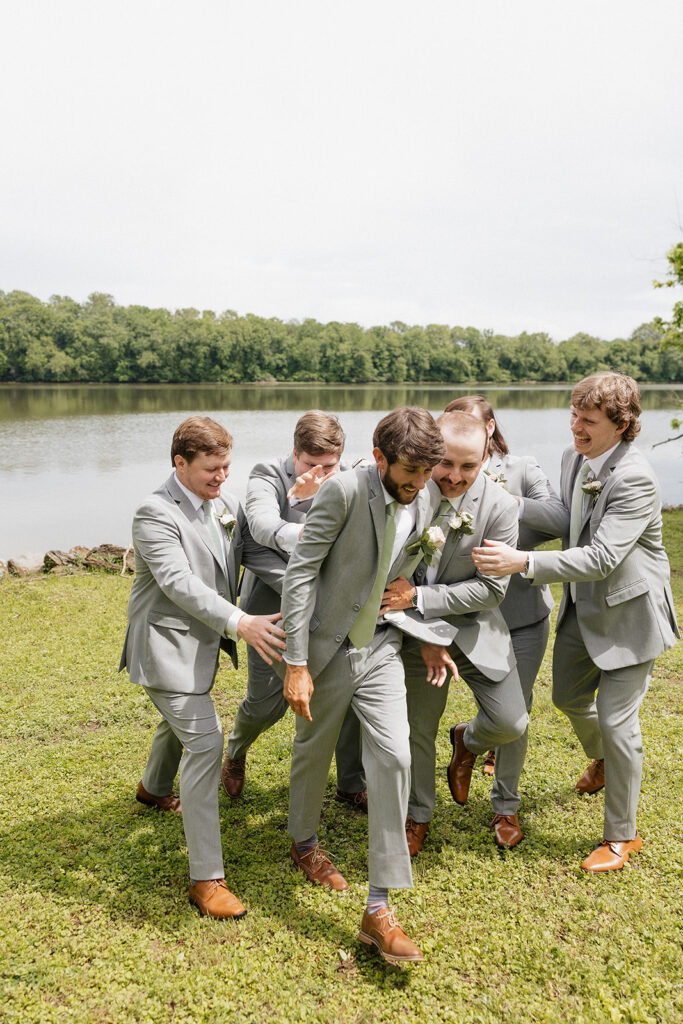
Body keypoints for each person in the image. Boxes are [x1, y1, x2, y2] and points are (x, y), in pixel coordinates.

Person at [472, 373, 679, 871]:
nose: (576, 428)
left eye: (588, 421)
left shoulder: (635, 476)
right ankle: (607, 761)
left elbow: (603, 556)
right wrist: (506, 501)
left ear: (621, 424)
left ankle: (621, 837)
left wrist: (523, 563)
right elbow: (566, 515)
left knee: (617, 720)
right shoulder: (574, 458)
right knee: (567, 697)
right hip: (582, 610)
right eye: (573, 416)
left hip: (630, 615)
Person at [280, 407, 445, 965]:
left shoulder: (424, 495)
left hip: (381, 646)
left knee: (396, 757)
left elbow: (408, 558)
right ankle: (304, 841)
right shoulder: (344, 492)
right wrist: (297, 663)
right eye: (408, 475)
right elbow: (301, 571)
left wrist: (409, 592)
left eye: (426, 475)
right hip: (328, 648)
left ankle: (379, 907)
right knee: (314, 751)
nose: (419, 485)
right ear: (379, 458)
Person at [119, 416, 286, 918]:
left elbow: (257, 550)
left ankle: (151, 789)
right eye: (212, 469)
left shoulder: (224, 507)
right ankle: (206, 879)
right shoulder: (153, 513)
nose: (222, 477)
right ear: (180, 463)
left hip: (199, 650)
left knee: (181, 725)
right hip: (164, 648)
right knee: (207, 741)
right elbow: (178, 583)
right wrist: (242, 622)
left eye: (227, 467)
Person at [380, 411, 529, 854]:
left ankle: (466, 740)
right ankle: (417, 815)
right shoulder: (407, 490)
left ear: (487, 456)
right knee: (417, 730)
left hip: (474, 627)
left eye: (469, 466)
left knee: (511, 722)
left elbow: (490, 589)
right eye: (445, 464)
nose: (455, 476)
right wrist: (420, 627)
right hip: (407, 632)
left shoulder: (500, 508)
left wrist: (421, 600)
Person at [222, 410, 365, 809]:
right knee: (265, 705)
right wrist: (306, 514)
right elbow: (264, 525)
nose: (320, 472)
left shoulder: (353, 475)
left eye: (330, 466)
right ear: (294, 453)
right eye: (310, 465)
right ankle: (235, 750)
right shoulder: (266, 473)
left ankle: (351, 783)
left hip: (336, 609)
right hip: (274, 612)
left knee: (349, 696)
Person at [442, 395, 567, 843]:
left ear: (489, 430)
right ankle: (421, 800)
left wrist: (503, 500)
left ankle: (505, 808)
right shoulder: (440, 476)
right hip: (461, 617)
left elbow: (559, 517)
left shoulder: (523, 467)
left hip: (521, 615)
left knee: (521, 711)